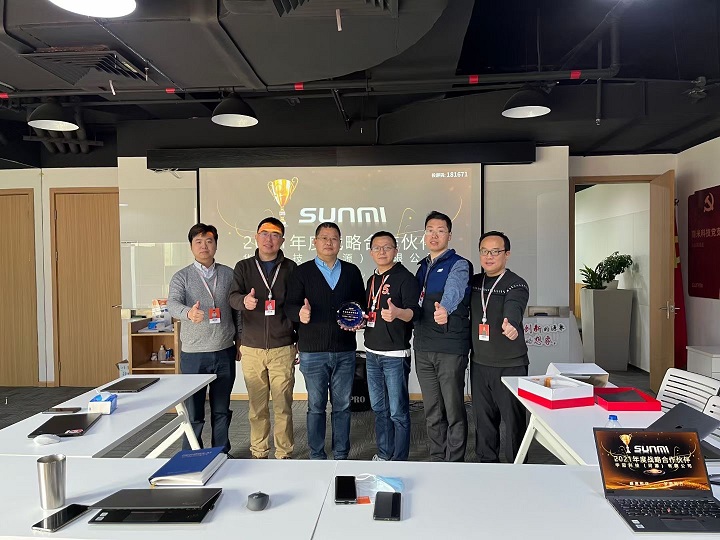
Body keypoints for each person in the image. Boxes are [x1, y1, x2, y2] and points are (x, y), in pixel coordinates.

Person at [285, 222, 365, 460]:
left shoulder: (352, 271)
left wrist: (359, 320)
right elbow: (289, 306)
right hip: (312, 351)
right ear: (315, 242)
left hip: (345, 350)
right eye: (324, 238)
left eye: (334, 238)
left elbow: (360, 306)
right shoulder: (302, 272)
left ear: (340, 243)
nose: (329, 242)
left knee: (343, 406)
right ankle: (317, 454)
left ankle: (341, 453)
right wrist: (299, 313)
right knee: (316, 406)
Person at [167, 223, 241, 454]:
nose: (204, 246)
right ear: (191, 246)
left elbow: (237, 311)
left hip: (224, 350)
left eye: (209, 241)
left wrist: (239, 340)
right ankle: (191, 455)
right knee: (194, 411)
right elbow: (172, 304)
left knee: (221, 409)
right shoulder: (182, 277)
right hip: (194, 354)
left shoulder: (229, 274)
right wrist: (188, 313)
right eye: (198, 241)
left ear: (216, 244)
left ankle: (221, 452)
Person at [228, 217, 297, 459]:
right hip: (252, 348)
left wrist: (298, 340)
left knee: (283, 406)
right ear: (256, 237)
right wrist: (243, 301)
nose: (269, 239)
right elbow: (232, 297)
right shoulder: (244, 267)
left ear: (282, 240)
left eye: (275, 234)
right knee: (256, 408)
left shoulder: (291, 268)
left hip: (282, 347)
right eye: (264, 233)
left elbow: (296, 305)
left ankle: (284, 453)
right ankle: (259, 452)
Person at [413, 210, 472, 462]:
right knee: (432, 409)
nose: (434, 235)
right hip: (423, 346)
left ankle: (455, 461)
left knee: (453, 408)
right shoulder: (421, 267)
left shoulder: (459, 264)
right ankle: (437, 458)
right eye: (430, 230)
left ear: (449, 235)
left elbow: (454, 290)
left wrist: (445, 308)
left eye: (440, 231)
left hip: (450, 347)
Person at [470, 230, 529, 463]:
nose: (489, 256)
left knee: (514, 422)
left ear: (507, 254)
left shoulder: (516, 284)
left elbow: (514, 306)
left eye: (495, 251)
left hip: (510, 365)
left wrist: (511, 324)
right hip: (479, 363)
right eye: (484, 251)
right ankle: (487, 465)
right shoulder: (475, 282)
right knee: (483, 421)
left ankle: (518, 467)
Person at [364, 231, 420, 461]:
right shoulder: (372, 279)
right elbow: (370, 311)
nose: (382, 252)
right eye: (377, 248)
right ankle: (384, 454)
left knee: (398, 412)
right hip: (371, 353)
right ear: (371, 252)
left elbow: (414, 313)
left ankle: (399, 460)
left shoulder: (405, 278)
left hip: (395, 355)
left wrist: (398, 313)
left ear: (396, 250)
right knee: (379, 409)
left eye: (387, 247)